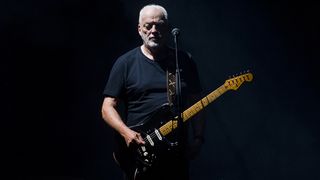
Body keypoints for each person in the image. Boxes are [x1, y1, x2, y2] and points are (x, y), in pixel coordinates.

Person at [101, 4, 206, 180]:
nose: (154, 30)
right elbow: (107, 107)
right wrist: (126, 132)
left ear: (167, 28)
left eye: (159, 25)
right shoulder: (125, 63)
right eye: (148, 25)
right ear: (139, 29)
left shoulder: (183, 60)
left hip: (176, 153)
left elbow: (198, 103)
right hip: (141, 153)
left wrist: (198, 138)